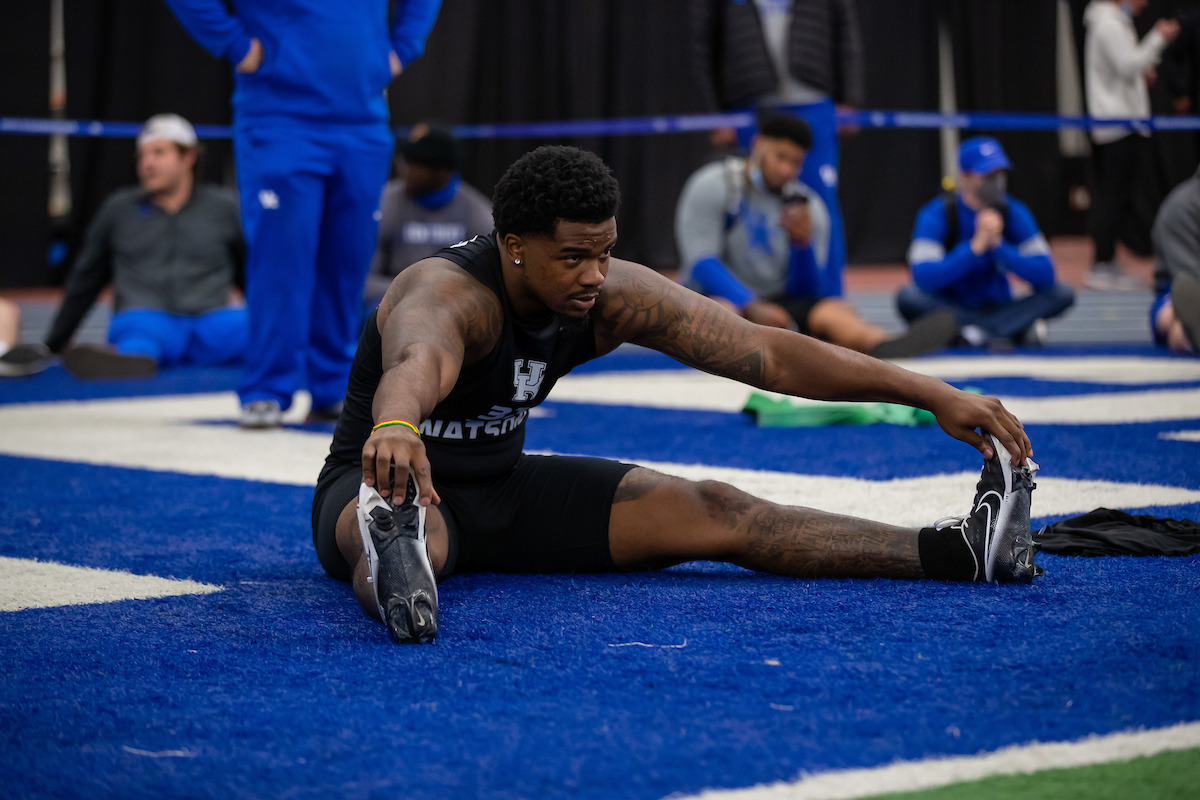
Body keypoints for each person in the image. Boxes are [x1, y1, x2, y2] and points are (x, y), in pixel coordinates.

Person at [312, 145, 1041, 645]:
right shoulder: (446, 294)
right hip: (381, 479)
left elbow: (765, 353)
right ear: (512, 244)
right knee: (420, 539)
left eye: (605, 252)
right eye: (574, 257)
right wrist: (400, 424)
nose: (595, 274)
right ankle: (393, 543)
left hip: (505, 486)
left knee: (723, 510)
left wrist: (930, 391)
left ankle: (959, 553)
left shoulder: (605, 293)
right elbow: (417, 357)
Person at [164, 0, 442, 428]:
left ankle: (331, 385)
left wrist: (402, 49)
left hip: (362, 121)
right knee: (282, 259)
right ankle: (267, 389)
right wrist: (237, 45)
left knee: (347, 263)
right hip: (280, 118)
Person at [675, 115, 958, 358]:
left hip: (779, 305)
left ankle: (881, 344)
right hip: (723, 297)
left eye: (796, 162)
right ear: (757, 144)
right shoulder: (712, 185)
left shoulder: (808, 206)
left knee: (831, 311)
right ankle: (748, 351)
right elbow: (701, 261)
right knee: (724, 313)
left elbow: (807, 290)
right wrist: (751, 304)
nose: (787, 170)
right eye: (780, 157)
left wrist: (802, 246)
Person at [41, 114, 247, 379]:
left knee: (251, 328)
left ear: (188, 158)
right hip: (148, 318)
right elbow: (86, 279)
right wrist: (54, 343)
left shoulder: (224, 207)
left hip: (212, 321)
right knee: (138, 337)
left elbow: (251, 273)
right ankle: (127, 360)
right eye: (142, 156)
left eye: (158, 153)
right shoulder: (118, 209)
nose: (147, 164)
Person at [691, 0, 865, 289]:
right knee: (749, 198)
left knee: (820, 202)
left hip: (814, 102)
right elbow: (703, 44)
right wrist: (714, 113)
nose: (787, 168)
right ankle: (747, 294)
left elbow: (846, 35)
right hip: (751, 101)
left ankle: (829, 298)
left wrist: (851, 97)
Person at [898, 137, 1076, 349]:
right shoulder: (937, 214)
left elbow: (1046, 275)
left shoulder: (1014, 212)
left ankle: (973, 333)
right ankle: (1008, 329)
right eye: (988, 175)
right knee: (908, 297)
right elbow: (923, 276)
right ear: (965, 176)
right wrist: (974, 248)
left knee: (1062, 293)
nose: (997, 182)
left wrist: (1000, 248)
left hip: (1000, 305)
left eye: (1000, 174)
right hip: (951, 307)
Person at [1083, 0, 1180, 290]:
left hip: (1123, 122)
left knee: (1118, 195)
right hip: (1117, 124)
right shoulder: (1108, 24)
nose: (1146, 3)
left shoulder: (1115, 22)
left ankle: (1107, 259)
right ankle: (1100, 263)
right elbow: (1127, 65)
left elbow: (1123, 68)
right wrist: (1158, 38)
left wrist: (1141, 74)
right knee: (1112, 195)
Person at [365, 126, 493, 305]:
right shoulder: (385, 204)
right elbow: (364, 280)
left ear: (442, 172)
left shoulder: (477, 213)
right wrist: (419, 291)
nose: (404, 168)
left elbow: (490, 286)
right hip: (395, 300)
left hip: (454, 304)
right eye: (405, 160)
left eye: (415, 163)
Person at [1150, 163, 1200, 355]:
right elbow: (1187, 277)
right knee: (1173, 321)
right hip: (1180, 294)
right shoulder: (1182, 207)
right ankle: (1190, 330)